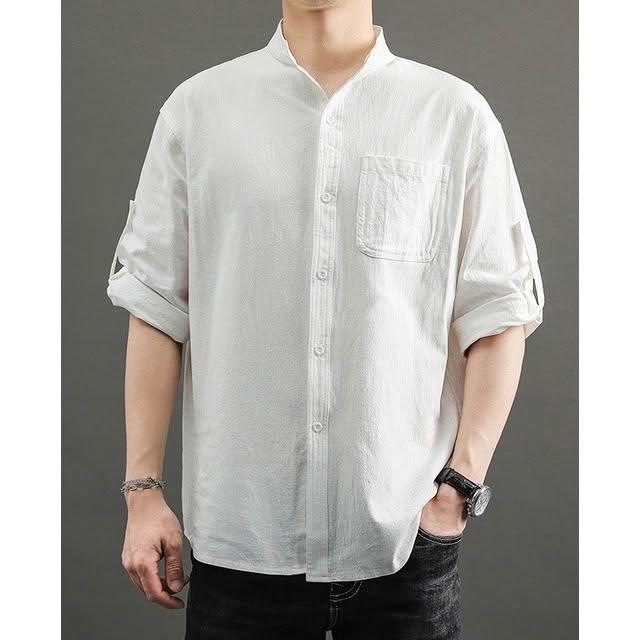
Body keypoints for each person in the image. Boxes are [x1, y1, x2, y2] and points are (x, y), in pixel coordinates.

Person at [107, 1, 544, 638]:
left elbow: (499, 311)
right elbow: (155, 305)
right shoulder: (198, 111)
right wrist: (142, 492)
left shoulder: (453, 116)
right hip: (240, 548)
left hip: (403, 545)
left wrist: (458, 489)